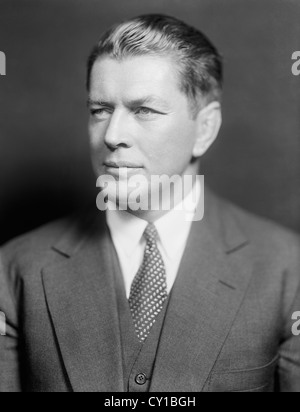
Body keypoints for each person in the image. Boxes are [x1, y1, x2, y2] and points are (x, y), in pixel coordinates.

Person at [0, 14, 299, 393]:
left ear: (204, 128)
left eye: (144, 110)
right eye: (100, 110)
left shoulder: (287, 268)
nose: (112, 135)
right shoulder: (15, 270)